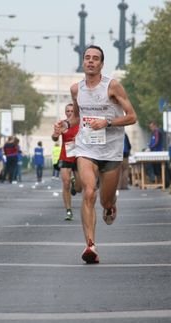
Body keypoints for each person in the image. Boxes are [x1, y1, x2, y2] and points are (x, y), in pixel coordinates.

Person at [54, 45, 137, 264]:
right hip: (86, 148)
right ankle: (90, 245)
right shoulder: (76, 89)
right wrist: (63, 124)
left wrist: (107, 122)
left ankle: (110, 205)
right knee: (88, 192)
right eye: (87, 58)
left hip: (111, 150)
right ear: (83, 62)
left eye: (95, 59)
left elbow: (132, 117)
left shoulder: (113, 86)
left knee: (104, 201)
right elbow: (76, 118)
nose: (90, 61)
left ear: (101, 64)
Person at [52, 103, 82, 221]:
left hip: (79, 156)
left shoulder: (80, 123)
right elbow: (54, 137)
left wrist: (79, 139)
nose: (69, 113)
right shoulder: (63, 124)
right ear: (65, 113)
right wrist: (55, 135)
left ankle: (75, 183)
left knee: (79, 188)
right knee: (65, 183)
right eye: (67, 111)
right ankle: (68, 210)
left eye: (71, 111)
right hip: (65, 156)